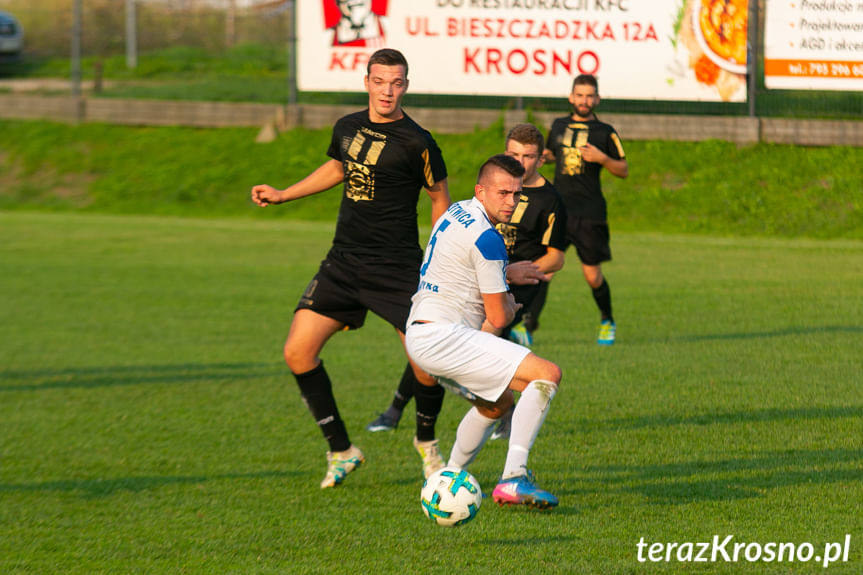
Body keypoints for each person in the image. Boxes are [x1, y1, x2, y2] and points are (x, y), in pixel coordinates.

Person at [250, 48, 451, 488]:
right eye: (380, 81)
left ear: (406, 86)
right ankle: (341, 451)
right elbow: (339, 167)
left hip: (397, 268)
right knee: (297, 353)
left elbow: (441, 202)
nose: (388, 90)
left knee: (425, 365)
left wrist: (440, 261)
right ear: (367, 82)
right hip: (343, 262)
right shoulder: (347, 127)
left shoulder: (419, 142)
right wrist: (284, 194)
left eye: (397, 82)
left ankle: (427, 445)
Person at [405, 154, 562, 509]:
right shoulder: (488, 239)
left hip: (422, 334)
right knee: (546, 375)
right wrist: (509, 299)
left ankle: (446, 479)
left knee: (497, 404)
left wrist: (505, 273)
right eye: (503, 193)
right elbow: (498, 318)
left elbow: (460, 266)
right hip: (444, 337)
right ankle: (514, 478)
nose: (511, 202)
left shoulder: (457, 211)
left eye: (517, 194)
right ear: (481, 190)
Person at [489, 123, 568, 441]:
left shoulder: (550, 200)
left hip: (522, 286)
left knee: (491, 339)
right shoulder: (494, 186)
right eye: (513, 154)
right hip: (490, 277)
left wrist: (525, 270)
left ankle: (506, 414)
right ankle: (397, 408)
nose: (520, 162)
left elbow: (557, 257)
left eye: (529, 156)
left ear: (541, 158)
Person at [544, 74, 629, 345]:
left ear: (597, 99)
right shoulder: (558, 125)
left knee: (592, 275)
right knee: (543, 270)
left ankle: (607, 320)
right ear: (571, 97)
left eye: (589, 96)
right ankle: (525, 327)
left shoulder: (605, 132)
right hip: (558, 210)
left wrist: (602, 158)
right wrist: (538, 157)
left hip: (590, 213)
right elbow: (551, 155)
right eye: (579, 95)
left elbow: (623, 170)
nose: (584, 100)